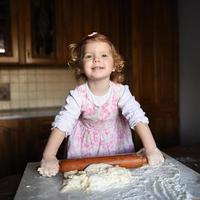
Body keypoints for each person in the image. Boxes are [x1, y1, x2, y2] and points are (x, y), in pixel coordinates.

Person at [38, 32, 164, 177]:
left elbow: (137, 116)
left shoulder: (121, 92)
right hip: (84, 152)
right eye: (89, 56)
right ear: (81, 66)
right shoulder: (78, 96)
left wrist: (151, 149)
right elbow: (63, 123)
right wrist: (49, 156)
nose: (97, 59)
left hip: (117, 147)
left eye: (104, 55)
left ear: (114, 65)